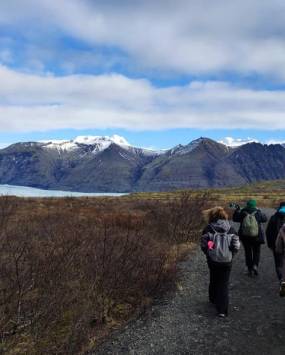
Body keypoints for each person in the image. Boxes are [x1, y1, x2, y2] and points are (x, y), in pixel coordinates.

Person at [201, 207, 240, 317]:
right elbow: (236, 245)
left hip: (213, 259)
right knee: (224, 283)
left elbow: (204, 244)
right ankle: (222, 310)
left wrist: (209, 252)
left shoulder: (208, 228)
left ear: (211, 216)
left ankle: (213, 299)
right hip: (227, 260)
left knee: (213, 278)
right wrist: (231, 254)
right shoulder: (231, 229)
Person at [233, 199, 267, 276]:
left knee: (248, 252)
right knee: (256, 251)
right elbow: (265, 219)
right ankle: (255, 266)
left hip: (245, 236)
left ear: (247, 204)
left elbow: (235, 219)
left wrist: (237, 211)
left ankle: (249, 269)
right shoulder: (258, 212)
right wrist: (259, 211)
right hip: (257, 236)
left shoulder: (243, 212)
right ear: (255, 205)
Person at [266, 202, 285, 282]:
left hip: (277, 245)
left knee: (279, 265)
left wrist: (270, 245)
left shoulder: (273, 217)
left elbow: (268, 232)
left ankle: (282, 280)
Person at [275, 222, 285, 297]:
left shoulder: (283, 227)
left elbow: (278, 241)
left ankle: (282, 281)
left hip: (281, 249)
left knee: (280, 266)